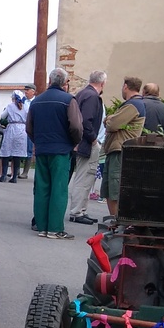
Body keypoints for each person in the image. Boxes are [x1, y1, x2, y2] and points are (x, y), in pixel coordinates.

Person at [29, 68, 83, 239]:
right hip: (61, 150)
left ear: (50, 81)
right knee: (58, 189)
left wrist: (38, 141)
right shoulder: (68, 100)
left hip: (43, 148)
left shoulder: (36, 101)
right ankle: (55, 228)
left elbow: (29, 127)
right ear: (64, 83)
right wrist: (75, 142)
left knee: (42, 188)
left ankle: (41, 226)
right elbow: (75, 126)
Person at [100, 77, 145, 221]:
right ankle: (115, 221)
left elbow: (112, 124)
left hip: (120, 150)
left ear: (126, 86)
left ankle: (118, 222)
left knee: (114, 189)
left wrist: (109, 119)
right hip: (115, 149)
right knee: (108, 189)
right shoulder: (131, 105)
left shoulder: (133, 105)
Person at [66, 70, 106, 224]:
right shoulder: (92, 97)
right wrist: (94, 139)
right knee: (84, 178)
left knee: (84, 177)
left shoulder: (82, 93)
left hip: (80, 142)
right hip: (87, 143)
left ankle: (81, 210)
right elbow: (86, 121)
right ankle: (77, 211)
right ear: (102, 83)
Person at [0, 90, 29, 183]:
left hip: (12, 128)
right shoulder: (26, 107)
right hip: (22, 129)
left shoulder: (10, 106)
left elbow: (3, 116)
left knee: (6, 152)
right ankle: (14, 177)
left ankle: (3, 175)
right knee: (17, 154)